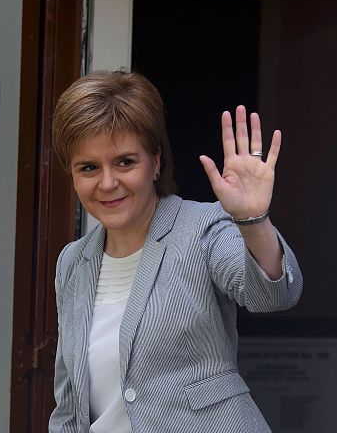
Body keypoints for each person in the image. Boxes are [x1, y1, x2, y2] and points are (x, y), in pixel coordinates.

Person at [48, 70, 303, 433]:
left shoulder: (202, 229)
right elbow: (69, 407)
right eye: (89, 168)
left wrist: (253, 220)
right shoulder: (73, 262)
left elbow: (272, 294)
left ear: (155, 160)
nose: (107, 183)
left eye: (125, 162)